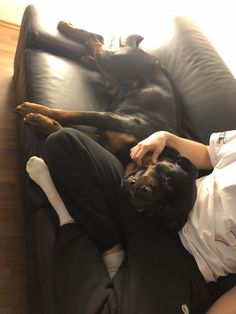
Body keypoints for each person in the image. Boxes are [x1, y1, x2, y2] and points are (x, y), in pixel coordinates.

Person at [26, 127, 235, 314]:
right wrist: (164, 137)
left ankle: (67, 220)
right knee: (65, 144)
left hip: (188, 263)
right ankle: (111, 248)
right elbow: (208, 153)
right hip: (157, 203)